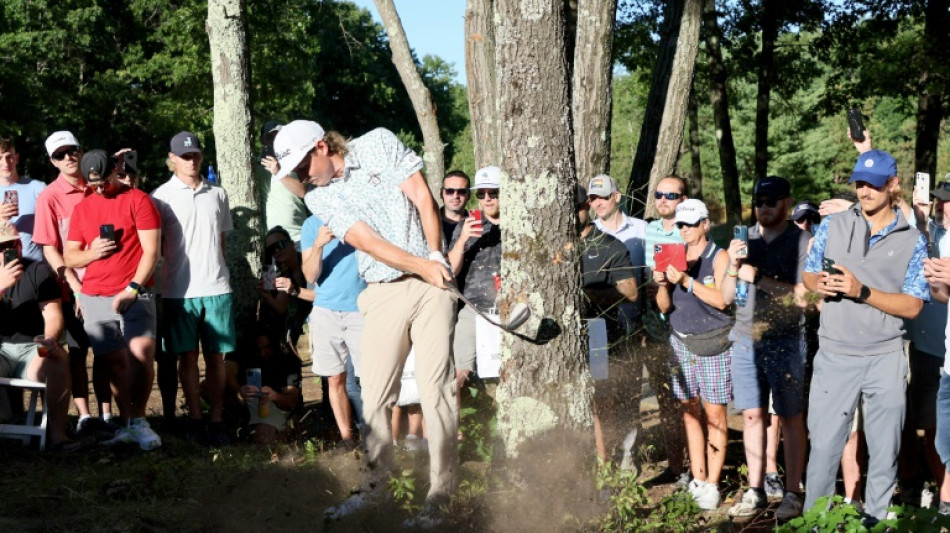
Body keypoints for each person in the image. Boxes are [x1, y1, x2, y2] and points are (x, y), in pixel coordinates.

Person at [273, 120, 457, 526]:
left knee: (436, 388)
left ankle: (440, 495)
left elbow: (423, 197)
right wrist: (422, 264)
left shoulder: (378, 142)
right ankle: (375, 488)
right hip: (382, 289)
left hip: (432, 284)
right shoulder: (321, 199)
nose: (301, 178)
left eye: (302, 167)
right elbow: (366, 241)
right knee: (374, 394)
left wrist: (436, 254)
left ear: (321, 146)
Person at [802, 132, 929, 522]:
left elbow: (912, 306)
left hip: (886, 357)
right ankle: (816, 525)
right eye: (859, 182)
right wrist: (817, 284)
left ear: (893, 185)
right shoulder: (834, 224)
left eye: (874, 184)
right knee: (823, 448)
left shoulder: (913, 240)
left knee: (884, 450)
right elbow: (809, 274)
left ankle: (875, 523)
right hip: (835, 354)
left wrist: (862, 291)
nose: (864, 190)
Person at [723, 176, 810, 521]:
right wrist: (732, 265)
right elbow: (728, 298)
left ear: (787, 203)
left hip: (786, 339)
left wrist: (757, 277)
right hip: (744, 339)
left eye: (771, 201)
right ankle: (756, 489)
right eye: (759, 201)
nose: (763, 207)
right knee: (751, 415)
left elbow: (805, 298)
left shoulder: (801, 239)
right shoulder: (745, 238)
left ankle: (792, 492)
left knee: (790, 417)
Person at [64, 150, 162, 451]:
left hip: (135, 292)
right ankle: (129, 422)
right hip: (95, 294)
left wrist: (133, 288)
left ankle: (140, 421)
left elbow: (151, 251)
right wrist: (93, 253)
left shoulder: (138, 200)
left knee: (141, 356)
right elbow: (70, 255)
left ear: (115, 171)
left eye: (105, 181)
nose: (100, 188)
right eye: (93, 183)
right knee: (115, 363)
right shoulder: (83, 208)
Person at [151, 131, 236, 447]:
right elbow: (155, 246)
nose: (191, 160)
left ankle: (217, 420)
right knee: (187, 359)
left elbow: (222, 241)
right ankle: (195, 421)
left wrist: (218, 272)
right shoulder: (160, 197)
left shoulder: (219, 194)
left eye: (195, 155)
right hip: (178, 291)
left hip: (216, 286)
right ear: (172, 158)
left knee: (217, 359)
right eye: (184, 156)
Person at [33, 132, 117, 437]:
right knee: (80, 353)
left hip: (111, 282)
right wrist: (74, 285)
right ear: (52, 161)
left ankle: (107, 415)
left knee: (107, 352)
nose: (69, 157)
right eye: (60, 154)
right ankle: (84, 417)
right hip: (74, 289)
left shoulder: (100, 185)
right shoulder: (49, 196)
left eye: (73, 150)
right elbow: (48, 247)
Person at [653, 198, 733, 511]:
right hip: (680, 341)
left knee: (715, 414)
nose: (685, 230)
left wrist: (686, 280)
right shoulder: (674, 255)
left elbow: (722, 301)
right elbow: (663, 307)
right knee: (689, 411)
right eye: (680, 224)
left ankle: (712, 483)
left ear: (705, 224)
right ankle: (698, 478)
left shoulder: (719, 256)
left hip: (713, 343)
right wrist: (661, 284)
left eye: (691, 224)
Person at [575, 183, 639, 465]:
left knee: (600, 402)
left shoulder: (609, 245)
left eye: (576, 207)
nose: (570, 214)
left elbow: (631, 291)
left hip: (599, 330)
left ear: (586, 207)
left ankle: (604, 466)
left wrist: (584, 294)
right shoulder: (554, 245)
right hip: (562, 334)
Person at [0, 221, 75, 450]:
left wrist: (50, 338)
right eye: (0, 246)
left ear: (20, 245)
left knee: (58, 357)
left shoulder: (38, 270)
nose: (5, 251)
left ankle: (57, 436)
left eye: (10, 244)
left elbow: (53, 315)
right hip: (0, 348)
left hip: (32, 347)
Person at [897, 181, 950, 507]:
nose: (943, 207)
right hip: (929, 348)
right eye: (940, 202)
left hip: (942, 351)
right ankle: (932, 490)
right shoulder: (929, 233)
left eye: (948, 202)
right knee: (929, 426)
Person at [299, 212, 366, 448]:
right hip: (325, 310)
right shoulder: (311, 225)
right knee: (335, 378)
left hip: (362, 306)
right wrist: (318, 244)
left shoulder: (360, 214)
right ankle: (347, 439)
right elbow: (309, 275)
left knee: (370, 378)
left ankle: (376, 437)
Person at [642, 175, 689, 486]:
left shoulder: (692, 229)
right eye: (659, 194)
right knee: (665, 399)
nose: (663, 200)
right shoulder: (647, 231)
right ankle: (676, 467)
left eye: (670, 195)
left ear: (682, 200)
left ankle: (698, 468)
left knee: (690, 401)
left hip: (688, 326)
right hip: (655, 329)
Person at [447, 166, 502, 408]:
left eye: (493, 192)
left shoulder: (520, 223)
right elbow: (451, 271)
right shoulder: (466, 226)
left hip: (508, 309)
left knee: (504, 376)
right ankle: (453, 440)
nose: (487, 199)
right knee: (457, 377)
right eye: (481, 194)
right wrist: (463, 239)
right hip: (471, 307)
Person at [229, 326, 302, 444]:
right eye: (258, 349)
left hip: (274, 406)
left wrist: (275, 396)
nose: (262, 353)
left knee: (264, 435)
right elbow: (223, 379)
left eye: (266, 348)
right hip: (248, 403)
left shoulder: (287, 361)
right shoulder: (247, 356)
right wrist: (239, 392)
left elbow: (292, 400)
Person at [259, 121, 309, 249]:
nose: (275, 141)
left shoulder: (295, 161)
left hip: (300, 236)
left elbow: (302, 191)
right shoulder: (255, 169)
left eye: (279, 136)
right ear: (263, 142)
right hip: (273, 243)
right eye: (271, 138)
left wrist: (278, 172)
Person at [0, 137, 46, 262]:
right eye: (0, 158)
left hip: (35, 266)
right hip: (3, 270)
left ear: (17, 158)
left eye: (9, 157)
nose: (5, 163)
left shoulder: (38, 188)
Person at [440, 170, 470, 247]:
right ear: (441, 194)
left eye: (461, 191)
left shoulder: (476, 225)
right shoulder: (428, 222)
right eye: (450, 191)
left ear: (469, 195)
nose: (455, 196)